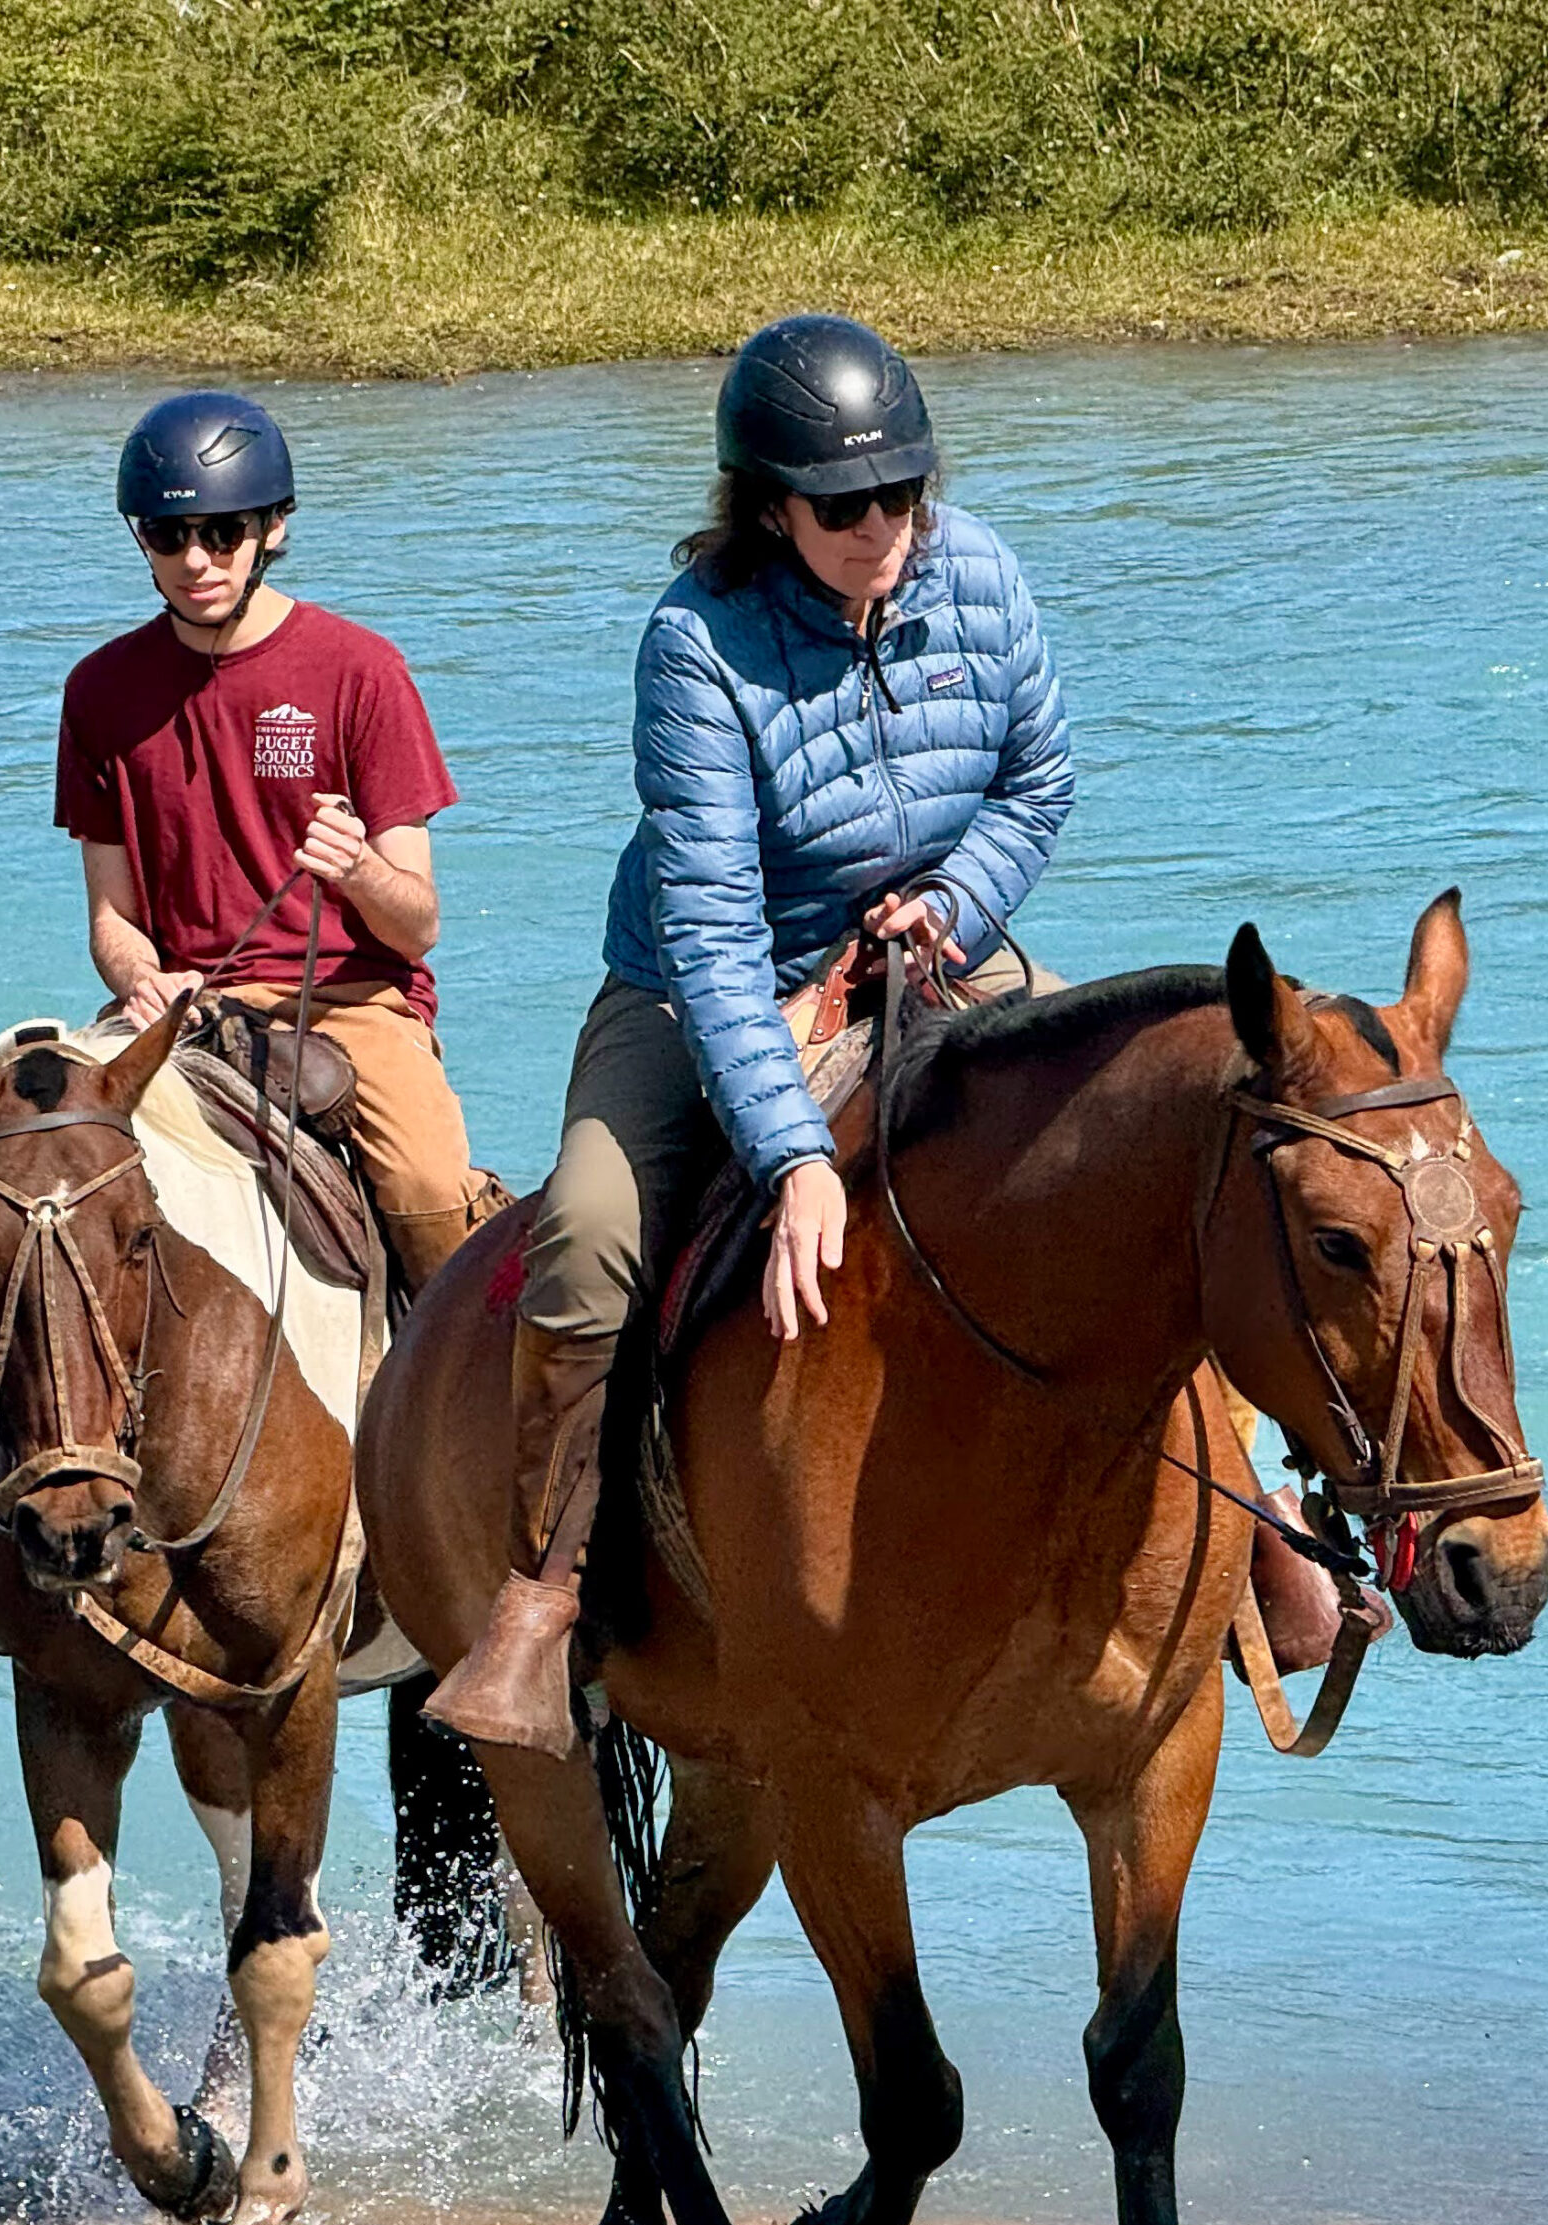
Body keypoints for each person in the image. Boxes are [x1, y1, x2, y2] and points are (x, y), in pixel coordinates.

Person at [425, 313, 1076, 1752]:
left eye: (901, 493)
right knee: (591, 1231)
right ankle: (550, 1602)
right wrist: (792, 1158)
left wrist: (956, 906)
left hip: (938, 951)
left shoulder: (979, 574)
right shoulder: (694, 645)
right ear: (769, 505)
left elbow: (1036, 783)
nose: (880, 528)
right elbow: (710, 928)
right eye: (842, 505)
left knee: (1114, 1155)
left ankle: (1248, 1544)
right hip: (703, 982)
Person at [0, 390, 490, 1634]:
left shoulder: (359, 671)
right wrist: (140, 979)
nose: (197, 559)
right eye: (169, 538)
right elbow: (112, 910)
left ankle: (487, 1493)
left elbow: (420, 922)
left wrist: (353, 869)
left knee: (435, 1193)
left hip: (346, 1008)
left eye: (224, 533)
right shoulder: (104, 690)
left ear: (274, 527)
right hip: (167, 1012)